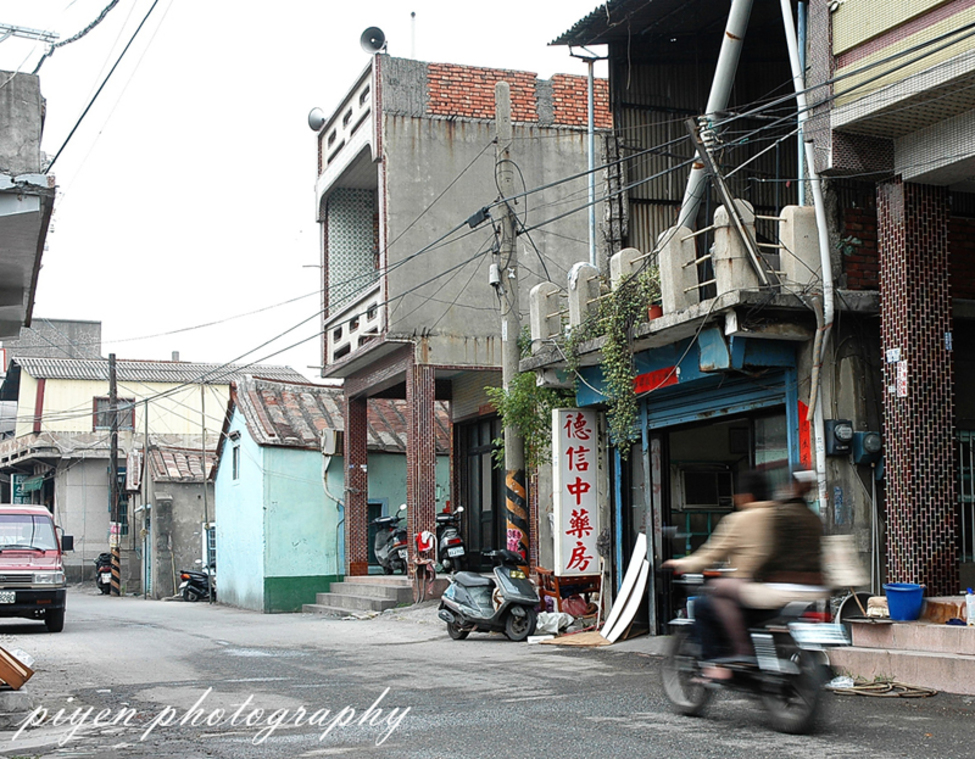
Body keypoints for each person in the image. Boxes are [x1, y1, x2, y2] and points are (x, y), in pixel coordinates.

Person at [662, 469, 777, 676]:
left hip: (751, 590)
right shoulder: (780, 516)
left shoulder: (740, 520)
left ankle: (715, 664)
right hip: (782, 590)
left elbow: (711, 554)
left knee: (702, 605)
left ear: (747, 496)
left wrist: (681, 563)